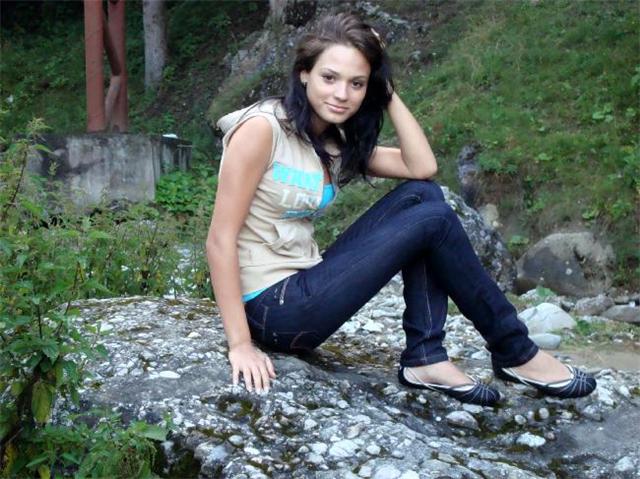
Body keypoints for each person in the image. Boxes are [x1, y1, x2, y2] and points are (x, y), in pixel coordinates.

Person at [205, 13, 596, 406]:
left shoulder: (330, 142)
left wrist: (387, 90)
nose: (342, 94)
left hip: (306, 282)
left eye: (357, 83)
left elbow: (421, 166)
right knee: (433, 219)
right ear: (304, 73)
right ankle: (515, 350)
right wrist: (240, 345)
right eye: (330, 78)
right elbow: (220, 239)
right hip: (273, 310)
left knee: (423, 196)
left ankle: (426, 356)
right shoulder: (263, 129)